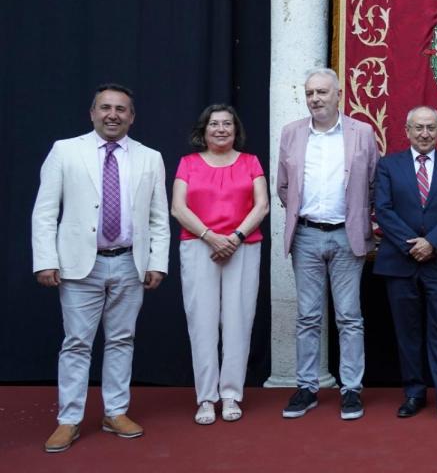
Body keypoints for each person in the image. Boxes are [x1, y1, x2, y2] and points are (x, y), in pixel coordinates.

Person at [32, 83, 170, 452]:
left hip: (129, 263)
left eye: (121, 109)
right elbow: (45, 211)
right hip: (79, 267)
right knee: (76, 343)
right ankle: (69, 419)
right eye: (105, 107)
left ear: (132, 117)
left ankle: (115, 412)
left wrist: (157, 262)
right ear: (92, 113)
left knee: (123, 340)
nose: (113, 114)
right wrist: (45, 260)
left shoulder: (150, 157)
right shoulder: (65, 151)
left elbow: (159, 218)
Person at [277, 68, 379, 421]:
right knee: (308, 316)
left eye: (322, 92)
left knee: (350, 317)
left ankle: (351, 389)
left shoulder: (362, 132)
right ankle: (307, 386)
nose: (315, 98)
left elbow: (373, 183)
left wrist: (355, 216)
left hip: (346, 235)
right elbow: (284, 186)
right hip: (305, 235)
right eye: (310, 93)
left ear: (339, 94)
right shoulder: (291, 133)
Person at [170, 104, 269, 425]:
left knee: (239, 320)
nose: (221, 129)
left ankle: (230, 395)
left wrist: (236, 236)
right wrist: (210, 236)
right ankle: (206, 398)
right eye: (214, 124)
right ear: (204, 130)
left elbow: (262, 205)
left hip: (243, 246)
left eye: (227, 124)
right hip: (199, 246)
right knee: (202, 322)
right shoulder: (187, 164)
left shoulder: (251, 162)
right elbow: (178, 207)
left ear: (235, 130)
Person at [374, 106, 437, 426]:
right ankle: (414, 393)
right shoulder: (388, 165)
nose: (425, 133)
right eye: (418, 128)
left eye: (430, 128)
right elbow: (382, 209)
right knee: (407, 332)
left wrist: (433, 242)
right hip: (400, 262)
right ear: (407, 130)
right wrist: (412, 244)